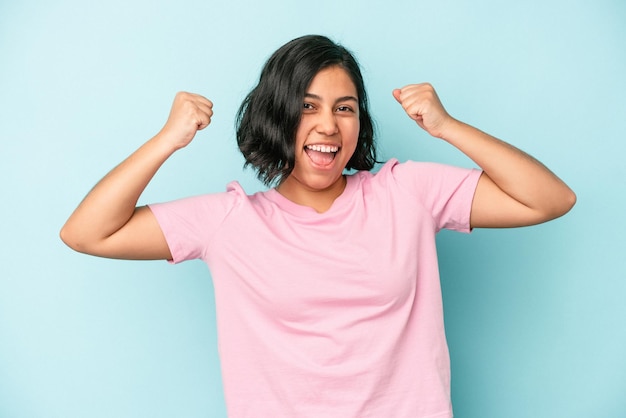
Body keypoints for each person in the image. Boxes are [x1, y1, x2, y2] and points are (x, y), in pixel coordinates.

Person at [60, 35, 576, 417]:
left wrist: (447, 127)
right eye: (307, 107)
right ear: (277, 116)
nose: (328, 125)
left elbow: (550, 199)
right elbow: (87, 232)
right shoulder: (230, 223)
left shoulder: (407, 193)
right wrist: (166, 140)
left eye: (344, 108)